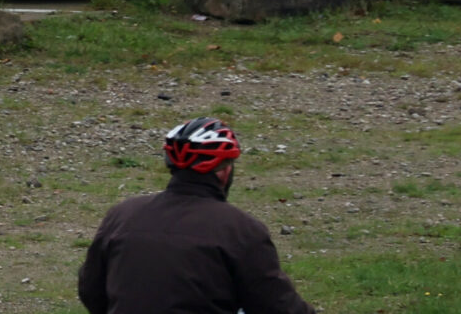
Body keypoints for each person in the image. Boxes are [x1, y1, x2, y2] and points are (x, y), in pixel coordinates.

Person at [76, 117, 314, 314]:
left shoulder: (122, 215)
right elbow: (278, 306)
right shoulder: (241, 229)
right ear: (225, 171)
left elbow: (91, 290)